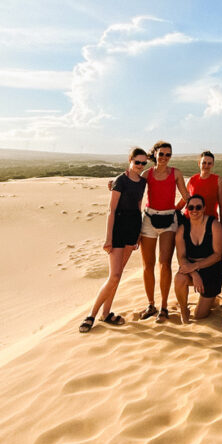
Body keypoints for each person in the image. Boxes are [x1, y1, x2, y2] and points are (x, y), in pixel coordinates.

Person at [80, 148, 148, 333]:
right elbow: (111, 210)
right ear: (130, 160)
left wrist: (138, 233)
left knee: (118, 275)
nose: (140, 166)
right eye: (137, 162)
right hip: (118, 229)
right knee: (114, 276)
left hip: (133, 228)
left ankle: (106, 313)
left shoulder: (143, 182)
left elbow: (139, 207)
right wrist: (108, 238)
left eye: (143, 163)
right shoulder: (120, 180)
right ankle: (91, 315)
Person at [138, 141, 189, 323]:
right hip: (148, 220)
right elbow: (134, 190)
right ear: (155, 155)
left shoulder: (176, 173)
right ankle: (151, 304)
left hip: (169, 221)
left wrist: (176, 208)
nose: (164, 158)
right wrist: (114, 185)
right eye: (161, 154)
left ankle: (164, 307)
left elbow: (186, 196)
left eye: (168, 154)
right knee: (147, 265)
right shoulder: (146, 174)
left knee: (165, 264)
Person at [174, 195, 222, 324]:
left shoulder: (214, 225)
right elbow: (181, 257)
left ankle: (213, 299)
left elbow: (218, 255)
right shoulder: (182, 229)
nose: (194, 210)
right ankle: (184, 310)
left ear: (204, 208)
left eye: (198, 207)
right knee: (179, 278)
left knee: (199, 316)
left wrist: (195, 266)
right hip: (192, 268)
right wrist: (193, 273)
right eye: (191, 207)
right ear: (187, 209)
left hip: (212, 268)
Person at [176, 150, 222, 223]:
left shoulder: (218, 180)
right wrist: (170, 212)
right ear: (199, 163)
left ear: (212, 165)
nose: (206, 166)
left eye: (209, 163)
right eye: (204, 163)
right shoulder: (191, 180)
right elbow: (183, 201)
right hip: (190, 221)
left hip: (209, 221)